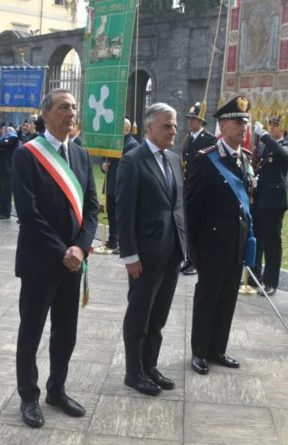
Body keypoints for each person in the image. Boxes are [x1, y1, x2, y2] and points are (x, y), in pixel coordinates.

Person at [12, 88, 99, 429]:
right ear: (45, 114)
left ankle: (57, 390)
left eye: (75, 107)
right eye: (64, 107)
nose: (72, 113)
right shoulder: (27, 154)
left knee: (66, 331)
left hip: (73, 263)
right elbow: (29, 214)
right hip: (40, 261)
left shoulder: (80, 155)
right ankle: (28, 397)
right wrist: (63, 251)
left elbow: (91, 208)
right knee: (31, 332)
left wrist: (80, 247)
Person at [116, 103, 187, 395]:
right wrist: (130, 255)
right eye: (166, 125)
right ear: (149, 128)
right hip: (144, 256)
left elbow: (179, 207)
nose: (173, 130)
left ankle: (150, 365)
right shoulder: (133, 161)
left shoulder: (173, 159)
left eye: (174, 125)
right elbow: (124, 211)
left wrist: (184, 246)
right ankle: (134, 372)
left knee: (158, 316)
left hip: (171, 252)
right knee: (139, 316)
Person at [185, 96, 256, 375]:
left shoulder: (245, 159)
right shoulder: (206, 159)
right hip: (211, 242)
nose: (243, 128)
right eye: (238, 123)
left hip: (236, 241)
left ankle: (218, 349)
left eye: (246, 124)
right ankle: (199, 351)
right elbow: (192, 208)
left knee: (228, 296)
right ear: (223, 126)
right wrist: (193, 249)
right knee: (208, 296)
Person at [250, 116, 288, 295]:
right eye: (271, 124)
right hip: (258, 198)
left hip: (273, 201)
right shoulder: (263, 147)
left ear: (283, 129)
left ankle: (271, 281)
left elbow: (283, 155)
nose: (272, 127)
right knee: (257, 240)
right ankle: (254, 277)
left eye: (276, 125)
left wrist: (265, 135)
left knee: (271, 243)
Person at [179, 102, 217, 276]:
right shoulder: (188, 138)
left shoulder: (209, 140)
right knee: (188, 225)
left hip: (201, 188)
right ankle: (189, 258)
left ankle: (196, 261)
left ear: (201, 121)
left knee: (198, 226)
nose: (191, 122)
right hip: (188, 186)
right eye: (189, 119)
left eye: (194, 119)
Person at [103, 118, 139, 252]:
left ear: (127, 129)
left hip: (123, 184)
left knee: (122, 215)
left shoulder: (132, 144)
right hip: (111, 183)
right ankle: (113, 240)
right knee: (111, 213)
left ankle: (122, 243)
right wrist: (103, 165)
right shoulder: (114, 141)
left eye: (119, 128)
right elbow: (105, 157)